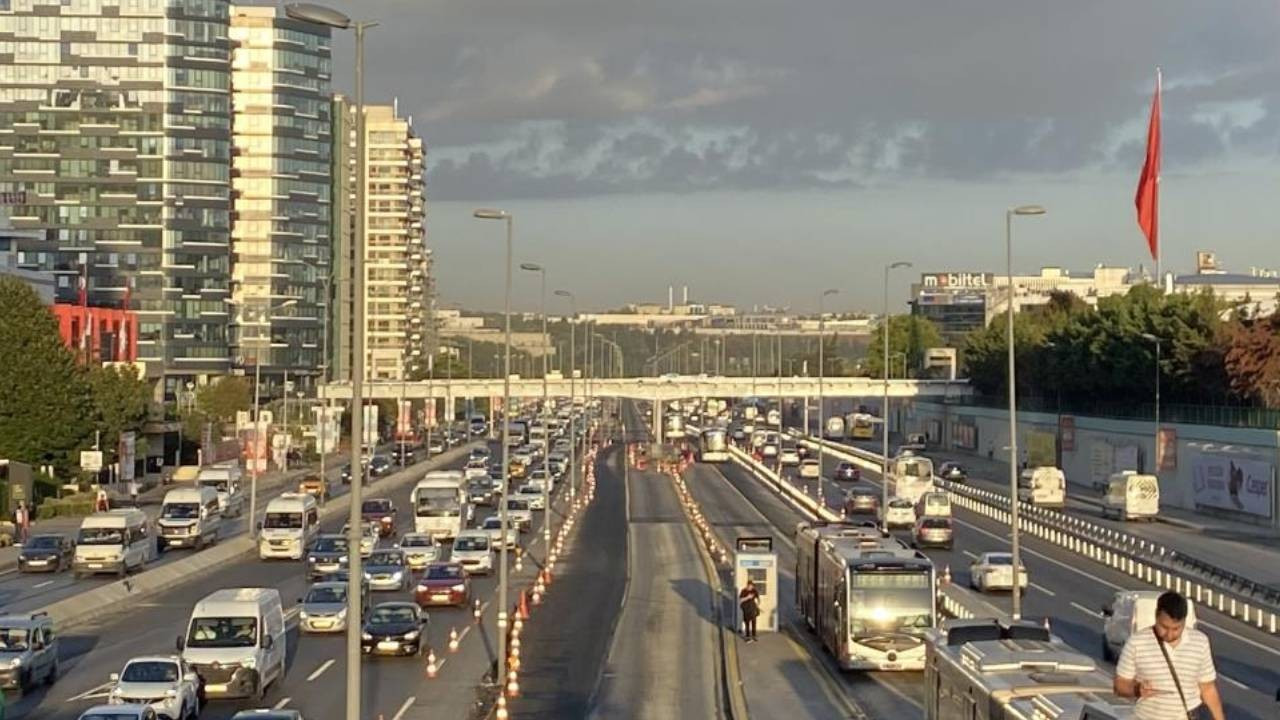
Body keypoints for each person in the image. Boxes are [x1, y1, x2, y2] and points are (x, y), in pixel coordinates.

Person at [1114, 591, 1226, 720]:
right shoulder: (1137, 642)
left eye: (1176, 628)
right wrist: (1136, 689)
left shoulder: (1200, 642)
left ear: (1184, 621)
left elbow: (1207, 688)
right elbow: (1120, 685)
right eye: (1164, 627)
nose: (1169, 634)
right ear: (1156, 616)